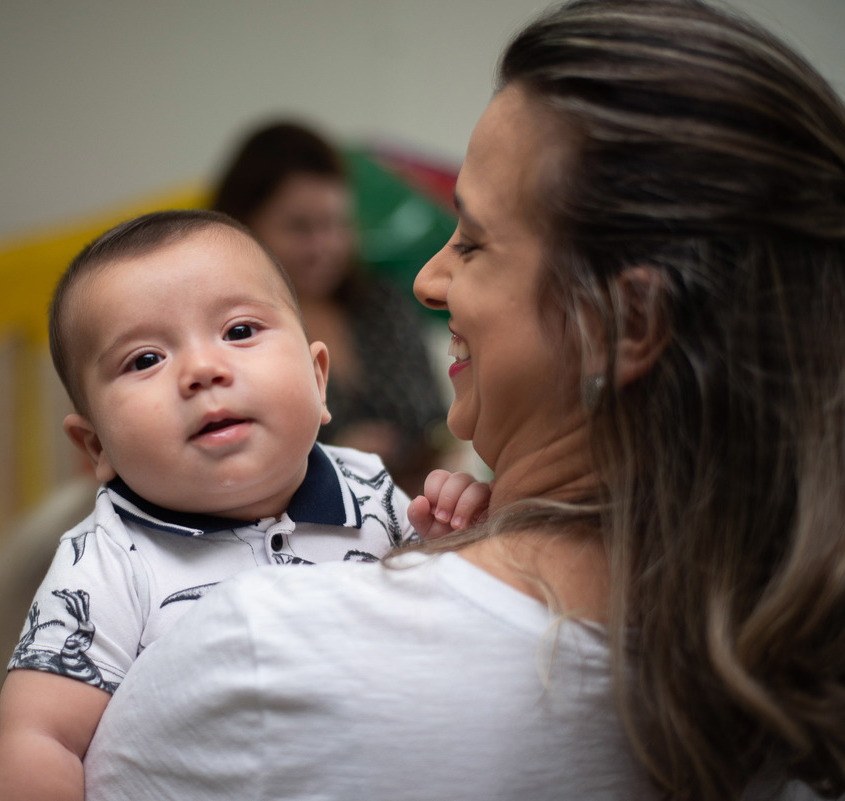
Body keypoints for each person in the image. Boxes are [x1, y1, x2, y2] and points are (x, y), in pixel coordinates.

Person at [82, 2, 845, 799]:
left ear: (628, 321)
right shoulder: (800, 670)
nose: (429, 280)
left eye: (473, 241)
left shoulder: (271, 657)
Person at [0, 210, 490, 800]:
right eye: (144, 360)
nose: (203, 370)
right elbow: (37, 740)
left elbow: (449, 632)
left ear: (319, 382)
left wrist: (461, 537)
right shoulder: (105, 562)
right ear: (96, 445)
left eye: (239, 331)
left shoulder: (371, 490)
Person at [213, 121, 452, 493]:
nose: (324, 246)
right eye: (300, 227)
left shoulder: (381, 303)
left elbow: (435, 422)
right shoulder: (225, 332)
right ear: (242, 227)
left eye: (335, 224)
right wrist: (334, 456)